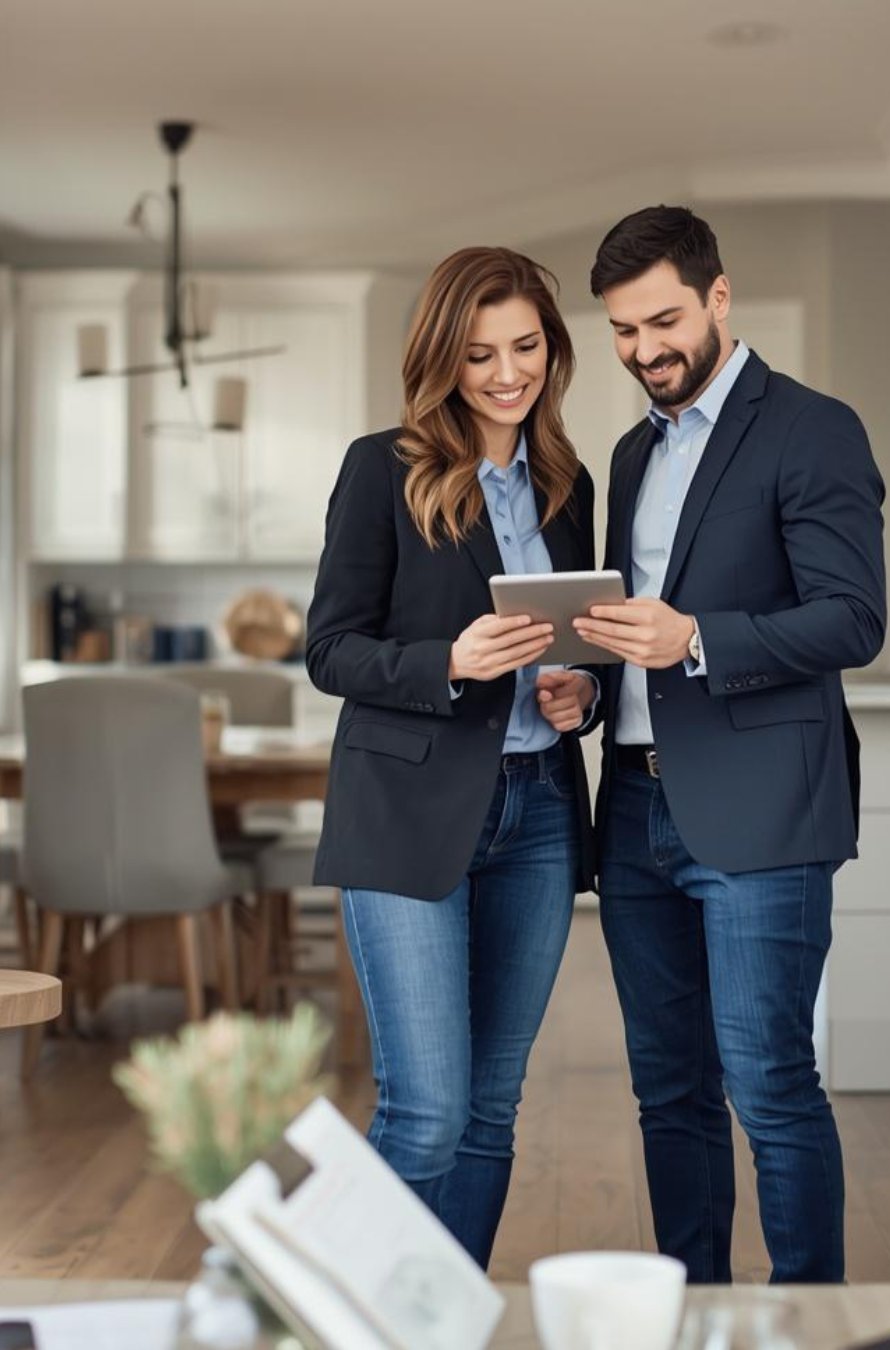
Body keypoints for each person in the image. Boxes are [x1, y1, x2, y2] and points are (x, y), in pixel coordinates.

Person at [574, 206, 886, 1284]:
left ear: (718, 296)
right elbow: (635, 627)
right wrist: (591, 674)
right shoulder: (628, 452)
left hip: (760, 812)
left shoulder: (813, 428)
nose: (645, 350)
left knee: (769, 1083)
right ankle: (693, 1306)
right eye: (622, 330)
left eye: (662, 319)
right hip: (635, 805)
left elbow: (853, 618)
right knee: (669, 1089)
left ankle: (810, 1317)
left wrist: (698, 638)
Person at [306, 246, 597, 1269]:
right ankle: (351, 1318)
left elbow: (578, 644)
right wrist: (451, 661)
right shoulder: (380, 469)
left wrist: (580, 693)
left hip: (540, 815)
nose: (506, 373)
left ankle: (445, 1321)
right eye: (480, 354)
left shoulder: (566, 484)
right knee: (426, 1110)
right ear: (443, 356)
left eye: (525, 347)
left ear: (552, 351)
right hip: (409, 813)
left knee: (488, 1109)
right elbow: (330, 649)